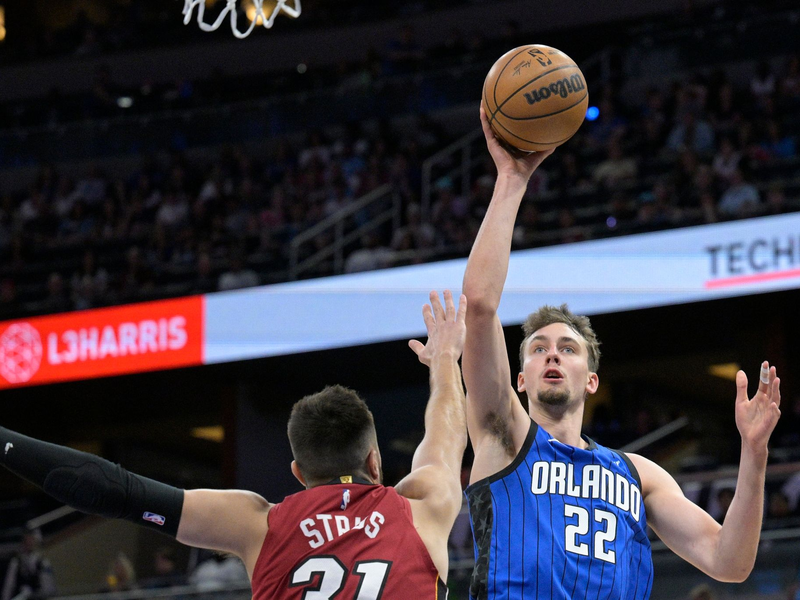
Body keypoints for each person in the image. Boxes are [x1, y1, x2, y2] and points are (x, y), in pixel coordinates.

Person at [459, 107, 782, 600]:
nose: (552, 355)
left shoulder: (638, 474)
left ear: (591, 379)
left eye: (567, 349)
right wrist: (511, 179)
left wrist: (754, 454)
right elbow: (480, 307)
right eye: (539, 349)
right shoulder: (502, 437)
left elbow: (729, 562)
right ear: (519, 378)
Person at [0, 290, 467, 599]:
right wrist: (444, 357)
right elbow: (447, 427)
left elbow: (119, 491)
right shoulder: (423, 508)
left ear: (298, 473)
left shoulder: (260, 525)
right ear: (375, 461)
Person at [1, 529, 56, 600]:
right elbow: (9, 586)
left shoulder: (42, 563)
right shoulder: (16, 562)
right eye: (26, 541)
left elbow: (49, 589)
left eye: (31, 540)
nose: (28, 543)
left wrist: (33, 594)